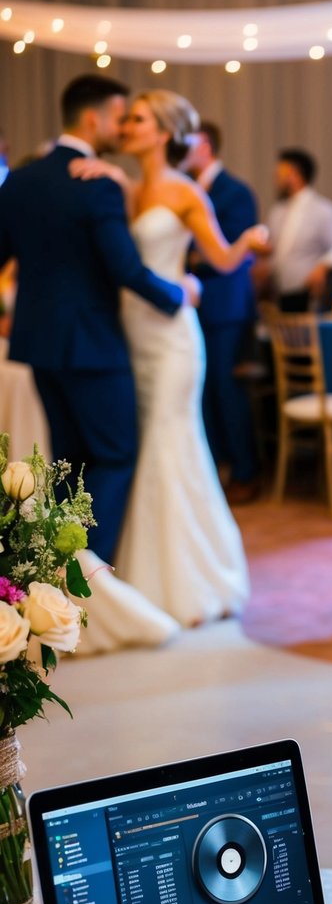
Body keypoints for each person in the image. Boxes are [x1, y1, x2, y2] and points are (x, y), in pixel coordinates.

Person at [73, 89, 269, 627]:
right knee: (141, 446)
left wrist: (249, 239)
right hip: (130, 338)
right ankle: (137, 579)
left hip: (174, 338)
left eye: (137, 119)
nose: (127, 125)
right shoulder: (127, 188)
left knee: (170, 442)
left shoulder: (184, 192)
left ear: (163, 132)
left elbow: (222, 258)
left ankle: (186, 581)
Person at [0, 73, 194, 565]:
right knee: (113, 456)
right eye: (118, 116)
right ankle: (88, 581)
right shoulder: (94, 185)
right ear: (94, 118)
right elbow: (126, 269)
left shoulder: (19, 181)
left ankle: (56, 575)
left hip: (39, 345)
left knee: (69, 465)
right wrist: (181, 294)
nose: (122, 126)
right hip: (93, 344)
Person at [185, 120, 261, 504]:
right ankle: (217, 470)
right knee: (202, 394)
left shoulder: (235, 191)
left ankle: (245, 471)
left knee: (227, 391)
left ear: (208, 146)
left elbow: (232, 251)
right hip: (193, 308)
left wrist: (199, 256)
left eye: (192, 142)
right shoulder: (182, 187)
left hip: (227, 307)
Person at [260, 148, 332, 312]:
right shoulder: (277, 212)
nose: (276, 177)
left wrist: (323, 266)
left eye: (280, 172)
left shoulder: (324, 210)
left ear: (295, 174)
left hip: (309, 296)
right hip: (280, 294)